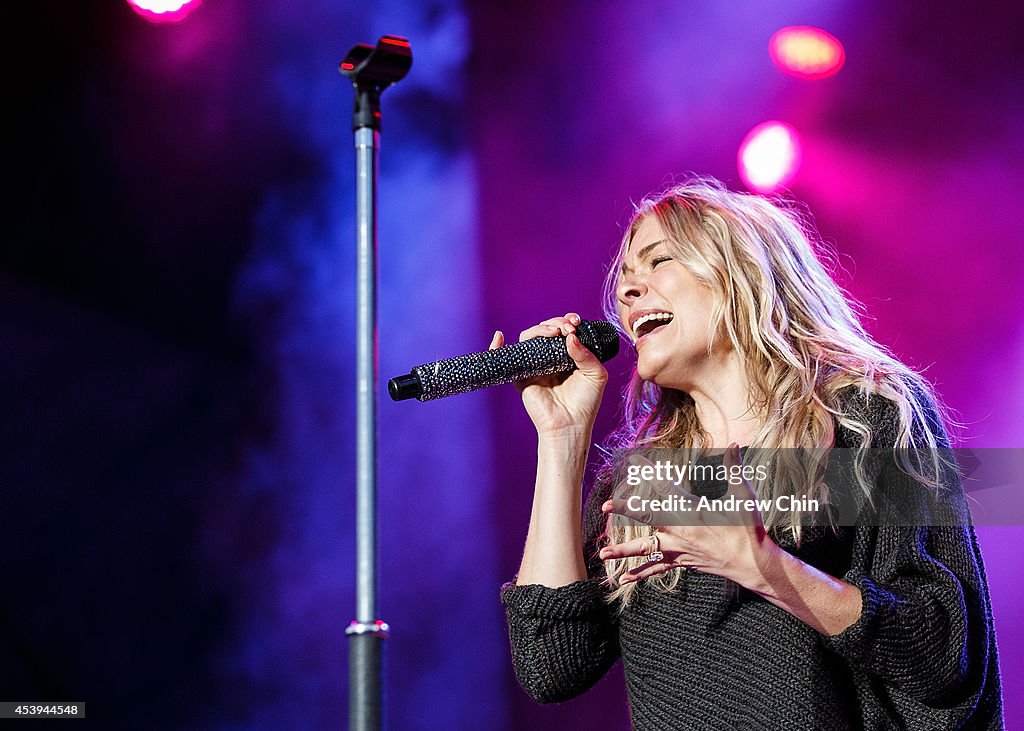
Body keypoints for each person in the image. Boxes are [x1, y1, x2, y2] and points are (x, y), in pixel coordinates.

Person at [494, 178, 1003, 730]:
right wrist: (562, 436)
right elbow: (551, 664)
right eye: (624, 282)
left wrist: (767, 567)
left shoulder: (867, 415)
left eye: (657, 261)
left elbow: (946, 655)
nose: (627, 293)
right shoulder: (641, 480)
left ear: (741, 272)